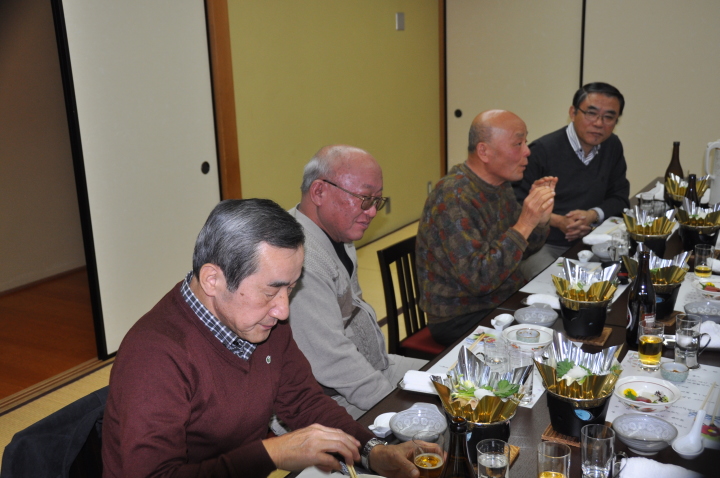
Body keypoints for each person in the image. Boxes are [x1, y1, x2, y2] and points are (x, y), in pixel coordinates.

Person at [101, 199, 421, 478]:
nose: (283, 310)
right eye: (270, 291)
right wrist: (273, 453)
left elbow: (303, 400)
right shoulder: (155, 357)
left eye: (290, 289)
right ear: (212, 279)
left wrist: (372, 450)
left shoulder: (261, 322)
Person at [288, 145, 427, 419]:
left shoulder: (341, 235)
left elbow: (354, 312)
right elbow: (332, 361)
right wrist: (393, 407)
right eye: (364, 198)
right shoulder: (300, 261)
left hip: (373, 366)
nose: (372, 211)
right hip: (328, 397)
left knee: (457, 382)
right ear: (319, 192)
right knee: (438, 418)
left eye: (377, 200)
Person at [416, 110, 557, 346]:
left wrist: (539, 220)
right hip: (461, 315)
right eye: (518, 143)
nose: (527, 151)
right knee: (552, 338)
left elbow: (522, 250)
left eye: (525, 142)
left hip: (500, 298)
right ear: (484, 151)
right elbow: (480, 280)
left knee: (570, 312)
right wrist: (525, 222)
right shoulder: (454, 197)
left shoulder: (499, 185)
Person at [514, 82, 631, 279]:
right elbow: (515, 206)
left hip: (594, 240)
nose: (599, 123)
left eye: (609, 117)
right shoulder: (541, 150)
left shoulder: (612, 146)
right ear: (573, 112)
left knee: (625, 275)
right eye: (591, 113)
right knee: (556, 283)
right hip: (543, 245)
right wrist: (558, 221)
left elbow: (620, 198)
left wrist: (592, 215)